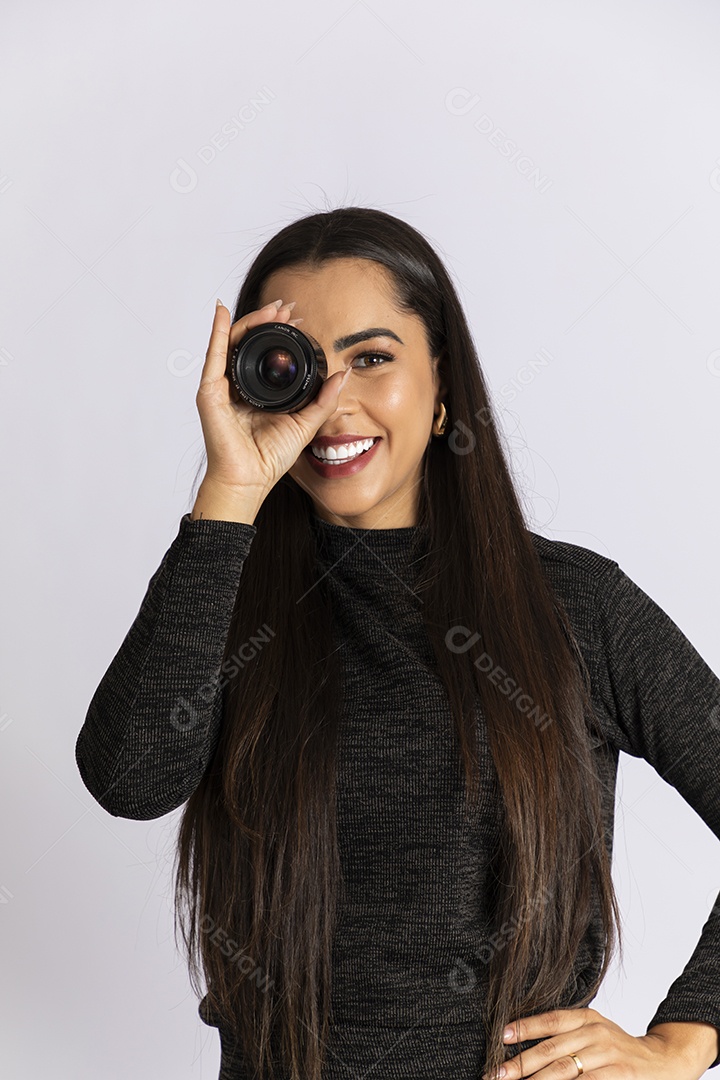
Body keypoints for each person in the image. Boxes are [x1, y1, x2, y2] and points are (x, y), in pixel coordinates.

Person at [75, 206, 720, 1080]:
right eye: (295, 366)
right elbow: (129, 778)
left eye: (372, 358)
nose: (333, 404)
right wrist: (229, 491)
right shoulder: (224, 591)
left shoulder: (574, 605)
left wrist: (681, 1043)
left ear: (441, 380)